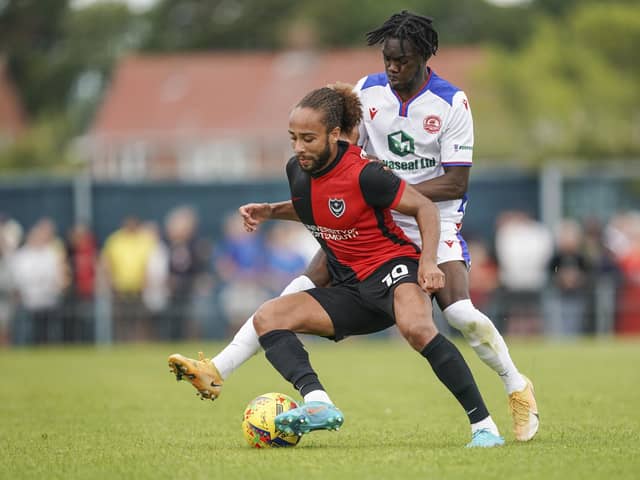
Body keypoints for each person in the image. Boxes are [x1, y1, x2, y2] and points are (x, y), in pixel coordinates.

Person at [169, 11, 539, 443]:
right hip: (362, 219)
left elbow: (455, 181)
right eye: (386, 59)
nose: (392, 67)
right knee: (289, 297)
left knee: (457, 313)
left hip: (429, 220)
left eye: (400, 59)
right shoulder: (368, 92)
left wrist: (384, 188)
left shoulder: (450, 103)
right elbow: (342, 163)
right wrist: (279, 207)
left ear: (422, 55)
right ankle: (219, 371)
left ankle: (515, 385)